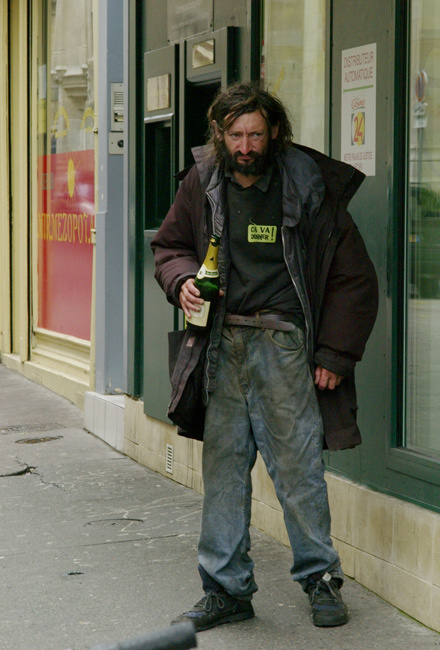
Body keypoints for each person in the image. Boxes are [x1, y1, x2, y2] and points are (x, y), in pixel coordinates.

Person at [151, 82, 378, 631]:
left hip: (285, 345)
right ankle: (226, 590)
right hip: (221, 345)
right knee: (224, 471)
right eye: (236, 135)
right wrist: (181, 281)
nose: (246, 146)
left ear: (275, 131)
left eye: (255, 134)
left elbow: (353, 277)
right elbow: (170, 246)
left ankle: (321, 580)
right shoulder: (202, 179)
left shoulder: (307, 183)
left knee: (299, 472)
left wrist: (335, 353)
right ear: (219, 133)